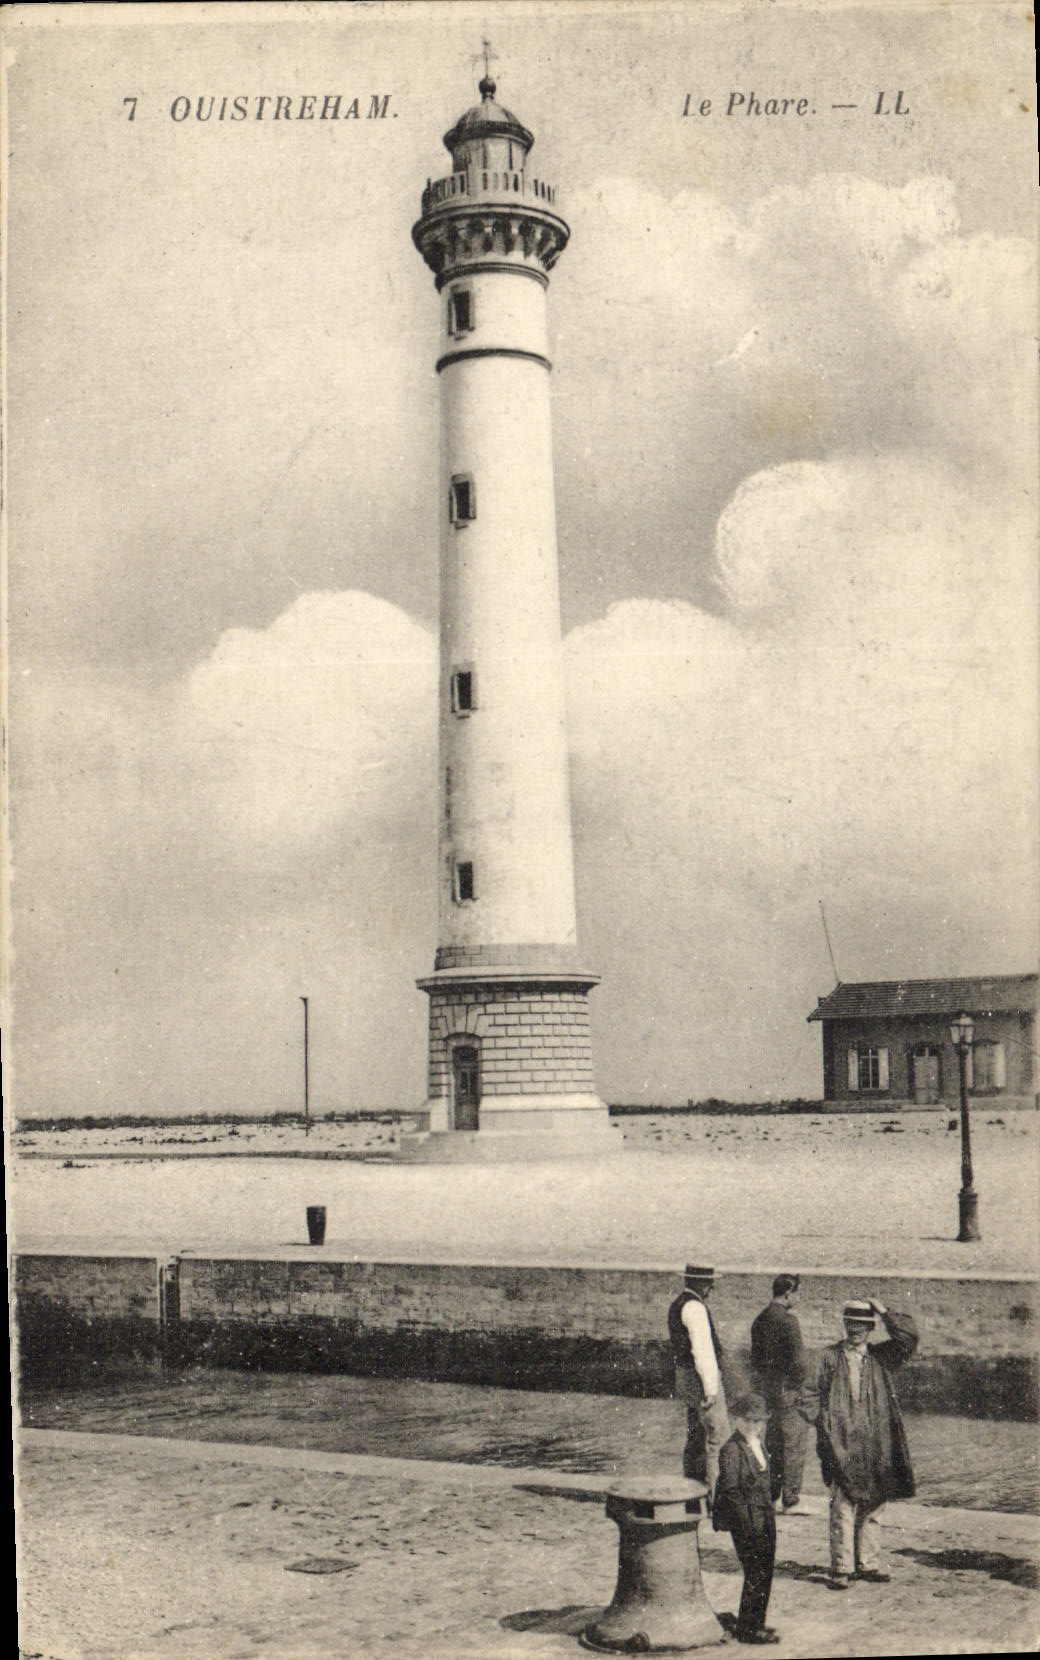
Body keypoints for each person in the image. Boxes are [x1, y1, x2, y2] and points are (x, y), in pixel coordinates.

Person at [814, 1297, 918, 1589]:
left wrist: (884, 1310)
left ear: (871, 1328)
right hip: (841, 1441)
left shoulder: (881, 1357)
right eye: (851, 1324)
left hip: (876, 1442)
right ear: (844, 1324)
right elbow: (809, 1394)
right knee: (843, 1502)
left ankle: (868, 1563)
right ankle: (841, 1567)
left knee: (875, 1502)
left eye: (862, 1325)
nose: (856, 1330)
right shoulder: (828, 1357)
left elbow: (909, 1338)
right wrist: (824, 1425)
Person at [712, 1393, 779, 1645]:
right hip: (747, 1521)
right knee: (754, 1571)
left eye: (759, 1421)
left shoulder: (759, 1444)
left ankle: (756, 1622)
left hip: (765, 1518)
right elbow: (730, 1491)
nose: (754, 1426)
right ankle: (748, 1629)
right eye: (749, 1421)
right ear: (737, 1419)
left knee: (765, 1570)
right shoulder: (731, 1450)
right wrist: (746, 1526)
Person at [667, 1263, 729, 1496]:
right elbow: (703, 1351)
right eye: (709, 1282)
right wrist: (711, 1389)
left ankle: (692, 1491)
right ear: (699, 1283)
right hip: (701, 1380)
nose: (711, 1287)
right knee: (717, 1438)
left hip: (685, 1378)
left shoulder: (677, 1305)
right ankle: (718, 1497)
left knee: (695, 1436)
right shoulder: (695, 1308)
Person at [750, 1271, 810, 1511]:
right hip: (788, 1392)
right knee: (794, 1444)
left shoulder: (760, 1319)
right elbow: (800, 1363)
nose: (798, 1298)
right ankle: (791, 1498)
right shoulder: (789, 1321)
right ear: (788, 1294)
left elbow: (754, 1359)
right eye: (797, 1294)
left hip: (768, 1391)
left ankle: (772, 1494)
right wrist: (796, 1387)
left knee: (772, 1443)